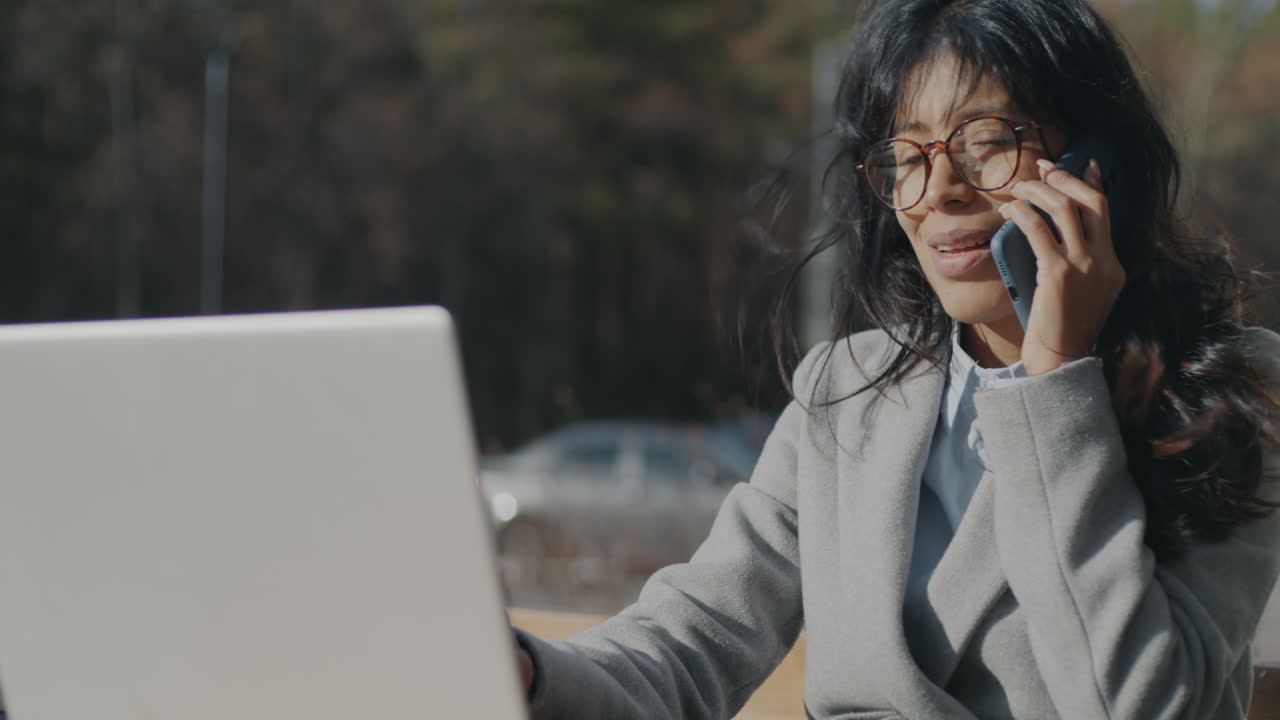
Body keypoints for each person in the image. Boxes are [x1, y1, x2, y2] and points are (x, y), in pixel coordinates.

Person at [511, 0, 1280, 717]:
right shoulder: (847, 389)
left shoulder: (1230, 395)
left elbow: (1137, 703)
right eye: (906, 155)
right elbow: (695, 638)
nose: (937, 190)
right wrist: (528, 673)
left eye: (988, 142)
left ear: (1095, 166)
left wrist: (1053, 379)